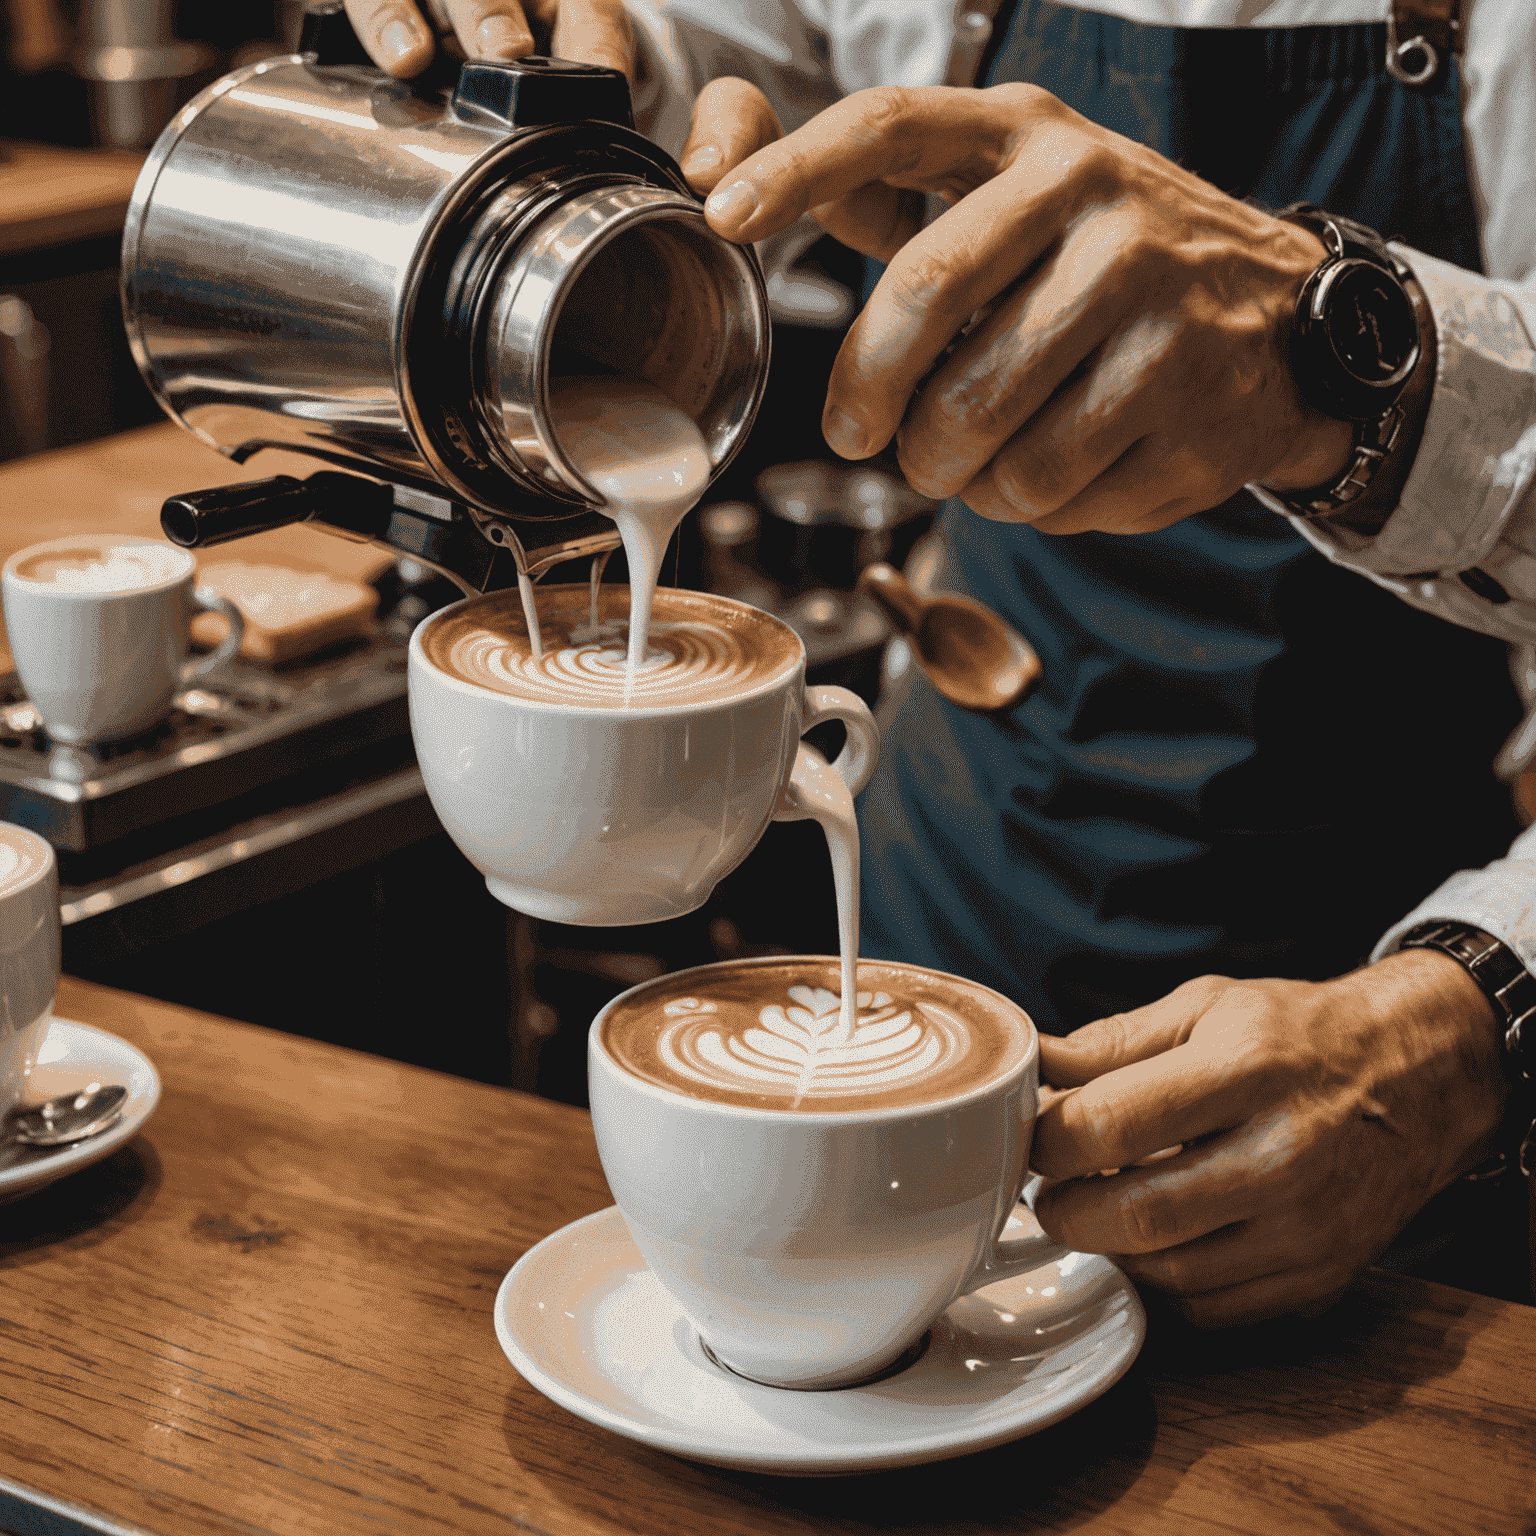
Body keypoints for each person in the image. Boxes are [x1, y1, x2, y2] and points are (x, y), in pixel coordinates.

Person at [349, 0, 1536, 1322]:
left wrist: (1474, 1026)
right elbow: (718, 51)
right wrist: (558, 72)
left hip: (1376, 1018)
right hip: (959, 871)